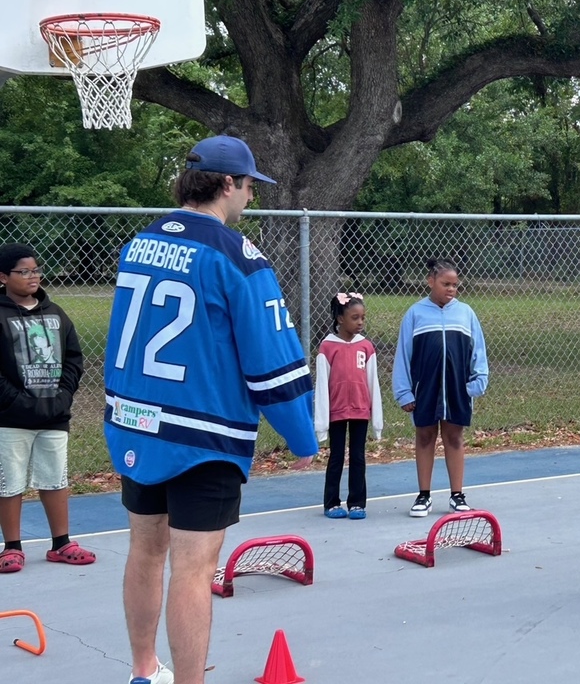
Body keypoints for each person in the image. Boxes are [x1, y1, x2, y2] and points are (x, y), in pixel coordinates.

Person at [103, 135, 318, 684]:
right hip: (203, 436)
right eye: (248, 187)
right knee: (194, 569)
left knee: (145, 551)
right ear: (228, 184)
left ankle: (143, 670)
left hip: (137, 425)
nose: (250, 197)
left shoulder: (138, 243)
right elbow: (272, 362)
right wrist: (302, 439)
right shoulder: (238, 258)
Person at [0, 243, 93, 574]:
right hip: (10, 417)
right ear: (3, 277)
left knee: (55, 478)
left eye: (36, 270)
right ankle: (11, 547)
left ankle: (61, 542)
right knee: (9, 481)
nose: (32, 276)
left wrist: (63, 396)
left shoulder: (56, 314)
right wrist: (17, 401)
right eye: (23, 271)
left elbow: (73, 358)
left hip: (54, 414)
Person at [392, 258, 488, 517]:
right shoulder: (414, 314)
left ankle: (457, 495)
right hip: (426, 389)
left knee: (454, 437)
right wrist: (404, 391)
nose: (451, 289)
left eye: (455, 285)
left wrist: (478, 381)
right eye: (446, 284)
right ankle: (424, 496)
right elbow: (403, 355)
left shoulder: (466, 313)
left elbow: (478, 350)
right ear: (430, 281)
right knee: (425, 437)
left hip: (457, 388)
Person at [314, 291, 383, 520]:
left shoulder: (367, 347)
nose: (360, 322)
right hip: (336, 412)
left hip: (360, 412)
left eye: (363, 317)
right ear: (340, 319)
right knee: (336, 457)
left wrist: (377, 422)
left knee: (358, 456)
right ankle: (331, 503)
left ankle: (357, 503)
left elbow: (373, 383)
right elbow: (322, 385)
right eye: (355, 317)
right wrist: (321, 423)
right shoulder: (327, 348)